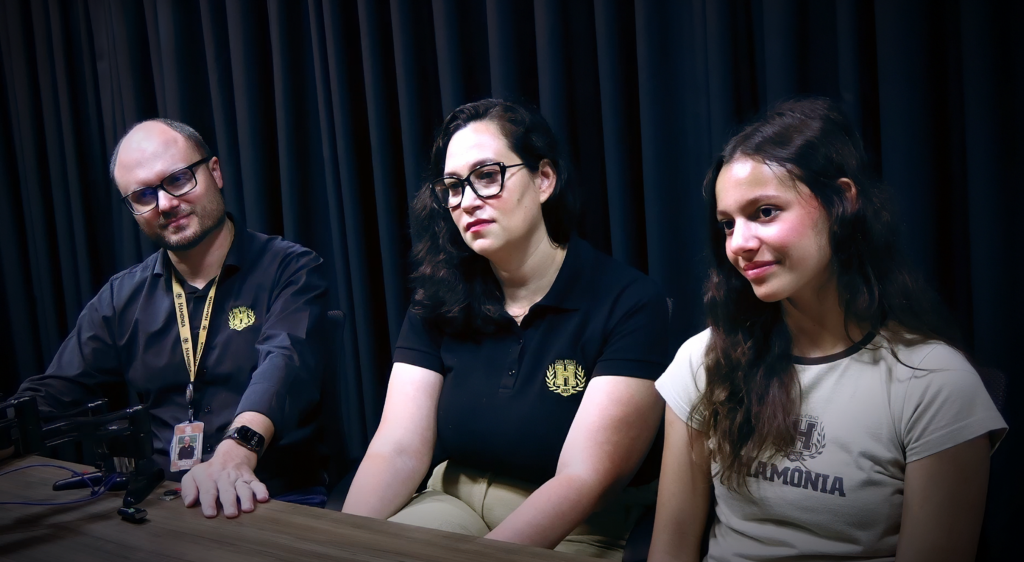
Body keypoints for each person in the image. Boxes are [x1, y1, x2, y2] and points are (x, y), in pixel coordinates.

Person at [649, 98, 1007, 562]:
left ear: (842, 201)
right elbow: (671, 548)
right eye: (727, 224)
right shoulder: (704, 360)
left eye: (765, 212)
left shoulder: (934, 382)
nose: (739, 244)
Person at [342, 99, 672, 558]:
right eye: (453, 186)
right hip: (451, 501)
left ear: (544, 179)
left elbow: (584, 478)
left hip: (576, 526)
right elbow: (397, 447)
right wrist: (338, 543)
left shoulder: (629, 303)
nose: (466, 201)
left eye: (487, 175)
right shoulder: (438, 298)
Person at [4, 119, 329, 515]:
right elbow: (57, 391)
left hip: (271, 494)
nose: (165, 203)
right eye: (143, 195)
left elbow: (284, 362)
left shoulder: (291, 268)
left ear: (214, 172)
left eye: (177, 179)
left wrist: (236, 452)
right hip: (165, 499)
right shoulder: (121, 297)